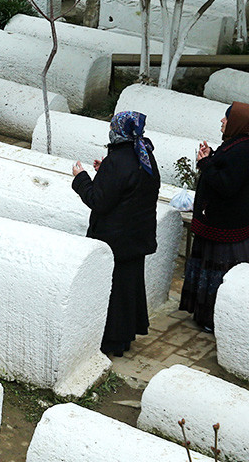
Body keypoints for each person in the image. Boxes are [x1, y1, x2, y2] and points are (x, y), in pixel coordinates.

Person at [71, 110, 160, 357]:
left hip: (116, 241)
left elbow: (98, 200)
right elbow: (129, 188)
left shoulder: (118, 160)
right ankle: (126, 338)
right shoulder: (144, 155)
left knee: (115, 293)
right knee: (129, 289)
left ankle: (111, 342)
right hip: (137, 237)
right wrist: (105, 173)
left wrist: (82, 179)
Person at [178, 101, 249, 331]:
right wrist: (211, 156)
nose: (222, 121)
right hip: (217, 222)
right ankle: (203, 314)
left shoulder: (244, 151)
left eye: (227, 117)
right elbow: (224, 168)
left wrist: (205, 163)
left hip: (226, 226)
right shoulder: (236, 144)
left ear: (237, 122)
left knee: (220, 274)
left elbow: (227, 185)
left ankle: (214, 319)